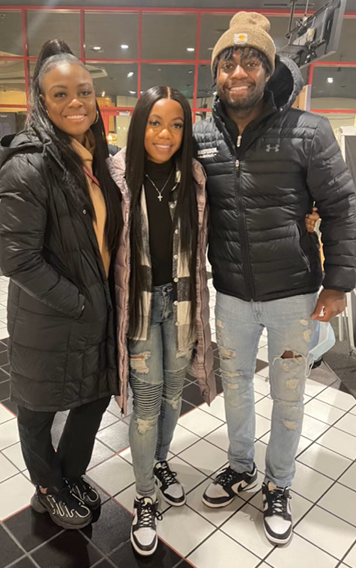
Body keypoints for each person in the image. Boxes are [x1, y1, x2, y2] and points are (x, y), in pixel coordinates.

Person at [193, 12, 356, 545]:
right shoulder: (201, 135)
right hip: (232, 296)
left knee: (289, 394)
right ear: (217, 73)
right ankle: (240, 466)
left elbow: (339, 208)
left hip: (293, 294)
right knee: (234, 389)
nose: (238, 71)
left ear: (268, 70)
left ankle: (278, 483)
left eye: (251, 61)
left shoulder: (306, 132)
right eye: (228, 62)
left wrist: (338, 283)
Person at [0, 40, 122, 530]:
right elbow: (15, 256)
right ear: (41, 101)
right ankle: (48, 487)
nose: (76, 102)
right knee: (37, 407)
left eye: (84, 91)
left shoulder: (98, 160)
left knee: (93, 396)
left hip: (95, 310)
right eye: (60, 94)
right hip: (50, 317)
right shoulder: (27, 164)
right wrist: (77, 302)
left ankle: (69, 475)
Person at [110, 86, 215, 556]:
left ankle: (160, 463)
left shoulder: (193, 176)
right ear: (139, 125)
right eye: (155, 123)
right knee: (147, 399)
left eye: (176, 124)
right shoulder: (117, 176)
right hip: (138, 306)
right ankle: (144, 495)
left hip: (182, 301)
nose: (165, 134)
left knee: (175, 392)